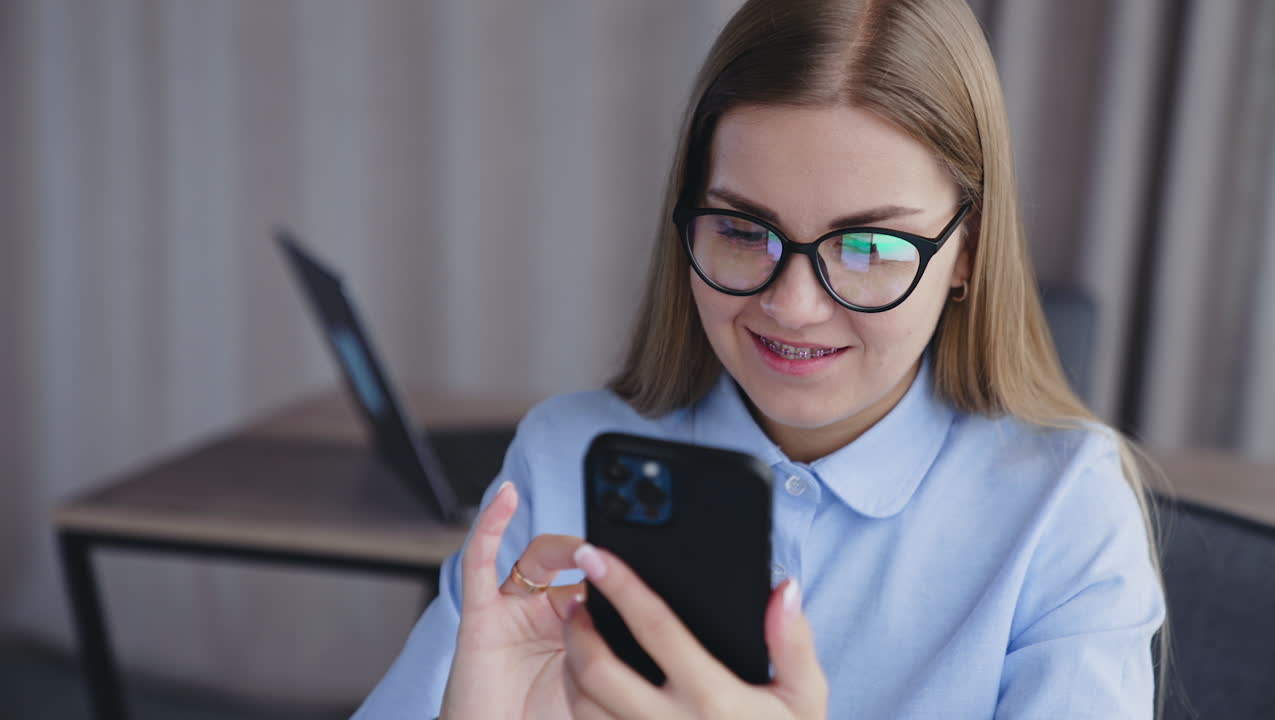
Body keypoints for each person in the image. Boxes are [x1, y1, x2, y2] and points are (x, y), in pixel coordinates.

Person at [354, 0, 1167, 717]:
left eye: (869, 245)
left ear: (968, 251)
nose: (794, 306)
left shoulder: (1066, 510)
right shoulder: (566, 456)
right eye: (744, 231)